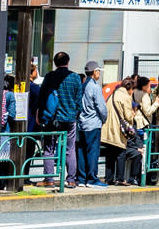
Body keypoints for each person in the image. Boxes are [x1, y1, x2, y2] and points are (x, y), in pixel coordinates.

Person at [39, 54, 86, 187]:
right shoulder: (75, 77)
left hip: (52, 118)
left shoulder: (50, 76)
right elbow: (79, 99)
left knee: (49, 149)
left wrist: (40, 114)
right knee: (70, 149)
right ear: (68, 62)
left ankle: (49, 180)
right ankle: (71, 180)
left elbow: (42, 97)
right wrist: (76, 113)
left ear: (54, 62)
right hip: (70, 118)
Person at [75, 61, 108, 187]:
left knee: (82, 151)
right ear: (95, 72)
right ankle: (92, 179)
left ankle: (82, 178)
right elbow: (101, 107)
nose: (99, 73)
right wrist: (104, 119)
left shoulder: (82, 85)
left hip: (82, 123)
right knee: (93, 152)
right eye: (99, 71)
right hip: (93, 123)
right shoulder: (95, 87)